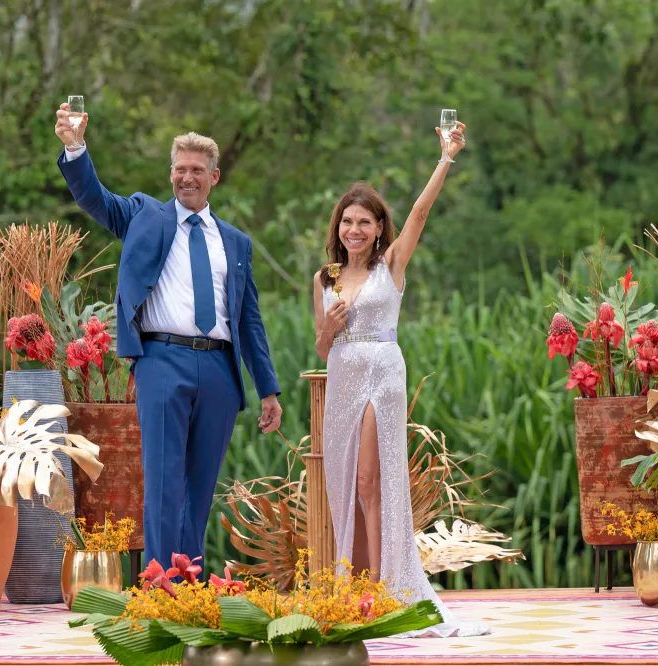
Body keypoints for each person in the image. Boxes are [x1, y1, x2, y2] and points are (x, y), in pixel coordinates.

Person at [54, 103, 283, 573]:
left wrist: (269, 390)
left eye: (197, 170)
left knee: (199, 490)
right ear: (171, 174)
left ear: (214, 177)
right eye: (180, 170)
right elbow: (94, 197)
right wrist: (74, 146)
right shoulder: (144, 215)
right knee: (162, 483)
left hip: (220, 369)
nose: (187, 178)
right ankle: (159, 589)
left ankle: (190, 587)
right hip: (161, 359)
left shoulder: (235, 242)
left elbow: (249, 321)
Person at [313, 122, 488, 637]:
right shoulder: (324, 278)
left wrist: (445, 158)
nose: (355, 230)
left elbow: (420, 214)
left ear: (379, 227)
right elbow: (321, 349)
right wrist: (330, 326)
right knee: (346, 488)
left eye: (365, 222)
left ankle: (389, 591)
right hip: (342, 376)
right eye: (348, 222)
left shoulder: (392, 265)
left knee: (372, 482)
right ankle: (358, 588)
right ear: (338, 227)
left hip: (382, 374)